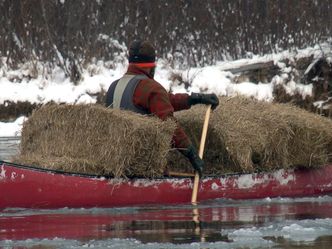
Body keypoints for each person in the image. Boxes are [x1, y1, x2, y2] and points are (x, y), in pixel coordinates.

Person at [106, 40, 219, 176]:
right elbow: (170, 125)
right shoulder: (150, 87)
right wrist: (192, 155)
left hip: (115, 163)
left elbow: (163, 100)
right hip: (142, 167)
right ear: (151, 66)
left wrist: (195, 98)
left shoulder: (113, 87)